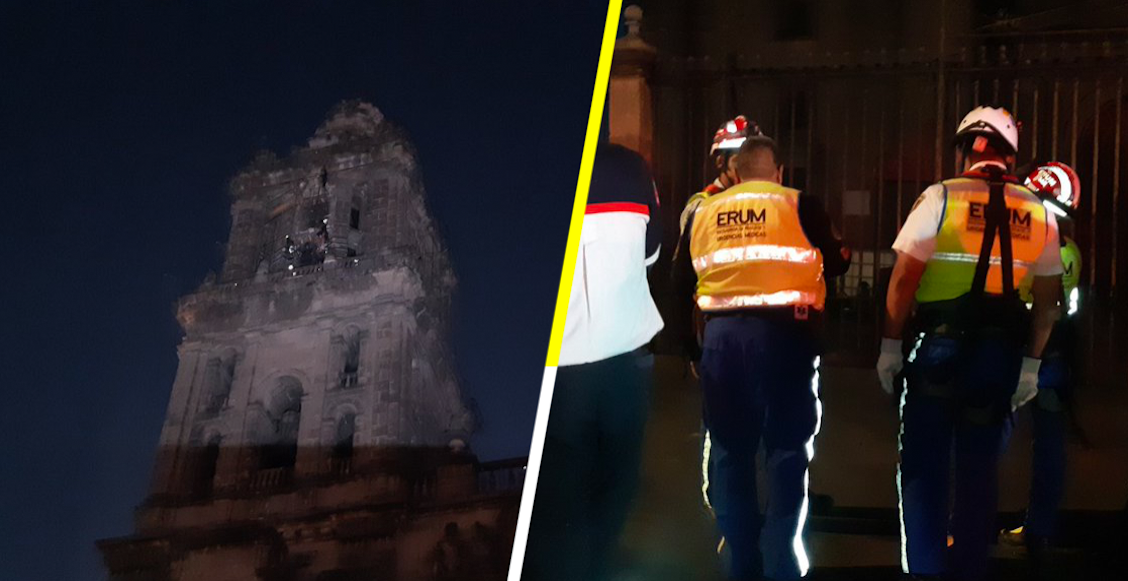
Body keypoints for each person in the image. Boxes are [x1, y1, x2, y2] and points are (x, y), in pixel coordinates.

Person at [876, 106, 1064, 580]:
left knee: (923, 464)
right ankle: (968, 570)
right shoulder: (1038, 210)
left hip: (939, 345)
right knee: (979, 471)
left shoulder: (941, 196)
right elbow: (1048, 304)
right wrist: (1030, 367)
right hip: (999, 355)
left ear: (966, 150)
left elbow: (903, 280)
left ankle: (924, 568)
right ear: (1011, 158)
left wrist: (890, 346)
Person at [673, 135, 850, 580]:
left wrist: (691, 349)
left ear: (734, 171)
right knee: (787, 453)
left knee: (732, 454)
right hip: (786, 339)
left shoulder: (704, 211)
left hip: (722, 341)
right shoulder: (798, 203)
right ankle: (782, 563)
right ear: (778, 171)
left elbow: (677, 284)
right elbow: (840, 261)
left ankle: (741, 563)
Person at [524, 143, 663, 581]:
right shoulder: (630, 167)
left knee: (560, 508)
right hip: (622, 365)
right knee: (613, 494)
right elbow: (652, 253)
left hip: (563, 374)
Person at [999, 162, 1084, 565]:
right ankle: (1040, 531)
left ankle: (965, 524)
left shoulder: (1026, 244)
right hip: (1055, 359)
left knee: (988, 440)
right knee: (1050, 447)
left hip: (1019, 353)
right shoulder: (1070, 251)